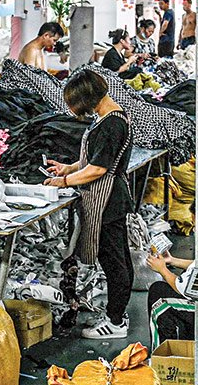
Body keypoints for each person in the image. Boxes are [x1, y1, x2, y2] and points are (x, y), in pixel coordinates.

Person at [43, 67, 134, 339]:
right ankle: (118, 314)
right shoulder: (108, 117)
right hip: (109, 198)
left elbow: (97, 169)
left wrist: (65, 183)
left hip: (107, 200)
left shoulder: (111, 124)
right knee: (118, 258)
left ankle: (116, 321)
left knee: (114, 261)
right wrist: (68, 169)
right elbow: (92, 161)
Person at [146, 253, 196, 343]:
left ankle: (161, 352)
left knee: (159, 297)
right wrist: (172, 260)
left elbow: (183, 287)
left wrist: (163, 270)